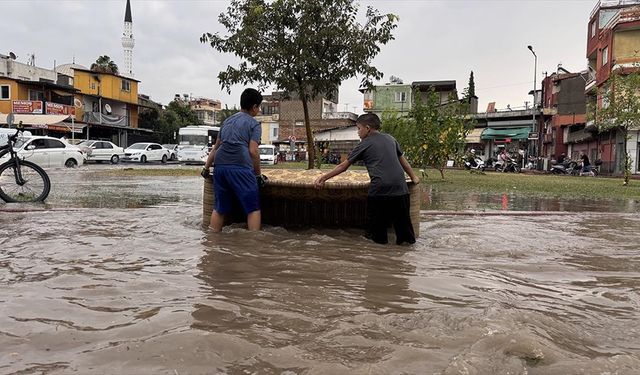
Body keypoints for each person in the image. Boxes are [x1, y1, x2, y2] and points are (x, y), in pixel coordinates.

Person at [314, 113, 420, 245]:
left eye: (358, 128)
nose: (357, 132)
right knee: (405, 234)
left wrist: (323, 178)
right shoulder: (391, 139)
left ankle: (376, 258)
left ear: (368, 128)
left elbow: (343, 166)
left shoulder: (364, 144)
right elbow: (404, 162)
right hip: (401, 190)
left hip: (380, 192)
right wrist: (414, 177)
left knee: (377, 236)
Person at [202, 88, 264, 232]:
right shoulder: (254, 125)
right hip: (240, 166)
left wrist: (206, 168)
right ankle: (254, 244)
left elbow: (216, 148)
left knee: (219, 208)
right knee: (253, 208)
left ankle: (212, 242)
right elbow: (253, 151)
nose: (259, 110)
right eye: (259, 107)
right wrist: (258, 175)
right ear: (254, 107)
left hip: (220, 167)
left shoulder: (227, 121)